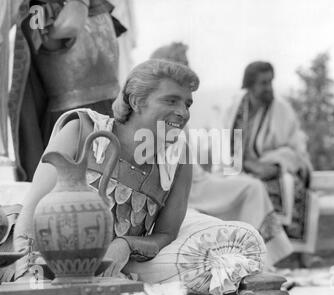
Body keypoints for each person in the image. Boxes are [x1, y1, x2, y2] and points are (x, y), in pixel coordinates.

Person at [13, 59, 199, 280]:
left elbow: (166, 233)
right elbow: (32, 211)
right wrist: (27, 275)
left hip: (98, 275)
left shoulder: (179, 159)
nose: (182, 113)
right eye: (171, 101)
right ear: (137, 101)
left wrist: (126, 244)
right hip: (31, 262)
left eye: (187, 104)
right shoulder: (81, 129)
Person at [150, 43, 293, 266]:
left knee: (251, 187)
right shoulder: (160, 106)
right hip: (187, 187)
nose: (189, 69)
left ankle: (257, 259)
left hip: (198, 178)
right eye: (184, 64)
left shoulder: (178, 103)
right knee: (251, 186)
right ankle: (254, 261)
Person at [8, 0, 123, 182]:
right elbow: (68, 27)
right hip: (72, 119)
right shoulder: (41, 12)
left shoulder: (95, 6)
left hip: (114, 109)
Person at [228, 61, 320, 259]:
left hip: (275, 166)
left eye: (271, 82)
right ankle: (248, 253)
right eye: (263, 83)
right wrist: (247, 164)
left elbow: (295, 147)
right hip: (238, 167)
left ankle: (286, 254)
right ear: (250, 85)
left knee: (286, 185)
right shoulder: (236, 108)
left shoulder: (281, 109)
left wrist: (275, 163)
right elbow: (225, 144)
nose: (269, 88)